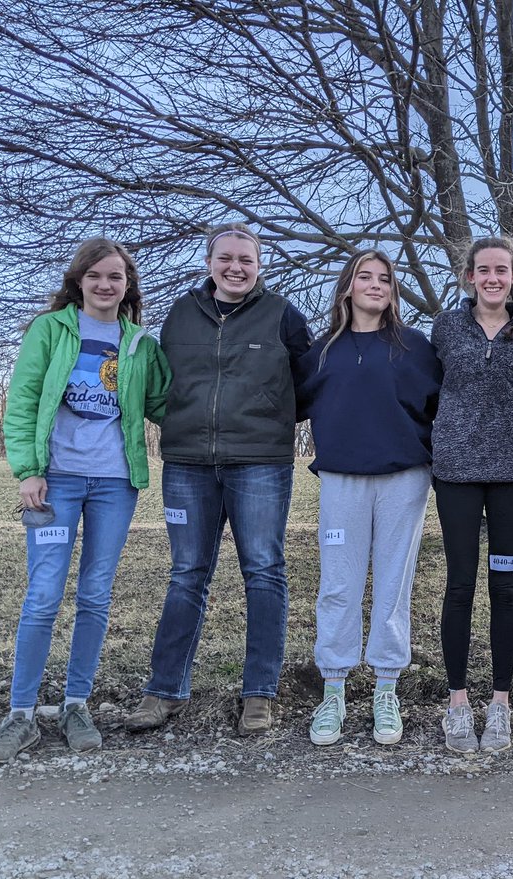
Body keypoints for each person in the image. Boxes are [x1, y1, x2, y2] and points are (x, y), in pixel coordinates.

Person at [0, 238, 170, 764]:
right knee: (43, 594)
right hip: (56, 482)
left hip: (115, 484)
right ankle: (20, 715)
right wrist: (28, 471)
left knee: (95, 595)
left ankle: (75, 704)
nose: (106, 285)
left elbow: (162, 404)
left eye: (116, 277)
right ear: (79, 281)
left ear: (128, 285)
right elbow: (21, 400)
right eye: (96, 276)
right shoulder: (51, 330)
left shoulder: (139, 344)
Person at [124, 223, 311, 737]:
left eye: (246, 260)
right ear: (209, 262)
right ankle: (164, 690)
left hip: (260, 462)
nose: (236, 268)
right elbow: (163, 382)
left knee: (264, 571)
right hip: (186, 464)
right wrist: (179, 422)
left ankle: (259, 693)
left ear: (259, 265)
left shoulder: (283, 315)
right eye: (226, 258)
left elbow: (311, 379)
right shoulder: (182, 314)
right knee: (187, 573)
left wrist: (272, 414)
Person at [297, 249, 440, 747]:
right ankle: (333, 689)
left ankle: (385, 687)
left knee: (393, 585)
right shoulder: (321, 352)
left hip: (404, 479)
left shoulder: (415, 348)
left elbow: (443, 409)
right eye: (366, 277)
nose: (376, 285)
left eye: (385, 279)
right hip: (341, 480)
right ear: (348, 287)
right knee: (339, 583)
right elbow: (287, 405)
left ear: (393, 291)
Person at [430, 236, 513, 754]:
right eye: (483, 270)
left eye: (503, 269)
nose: (493, 278)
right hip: (455, 471)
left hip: (512, 475)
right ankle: (457, 703)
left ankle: (500, 704)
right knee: (460, 582)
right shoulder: (446, 326)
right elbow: (428, 389)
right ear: (469, 276)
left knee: (504, 583)